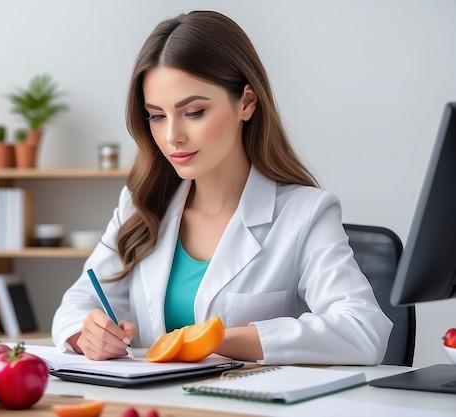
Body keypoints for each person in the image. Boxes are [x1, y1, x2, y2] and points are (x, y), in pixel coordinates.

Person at [51, 10, 392, 365]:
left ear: (246, 102)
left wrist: (216, 339)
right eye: (157, 115)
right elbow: (76, 306)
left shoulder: (306, 213)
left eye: (194, 112)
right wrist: (86, 333)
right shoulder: (142, 205)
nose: (172, 137)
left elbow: (363, 330)